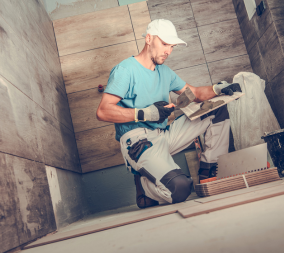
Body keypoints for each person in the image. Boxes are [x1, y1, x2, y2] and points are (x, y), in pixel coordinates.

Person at [96, 19, 241, 209]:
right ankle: (143, 185)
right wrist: (146, 113)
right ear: (149, 39)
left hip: (165, 134)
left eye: (171, 46)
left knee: (216, 109)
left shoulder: (165, 72)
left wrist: (219, 89)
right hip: (139, 142)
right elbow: (103, 111)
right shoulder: (125, 70)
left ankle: (209, 172)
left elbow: (195, 94)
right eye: (164, 44)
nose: (168, 51)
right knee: (180, 189)